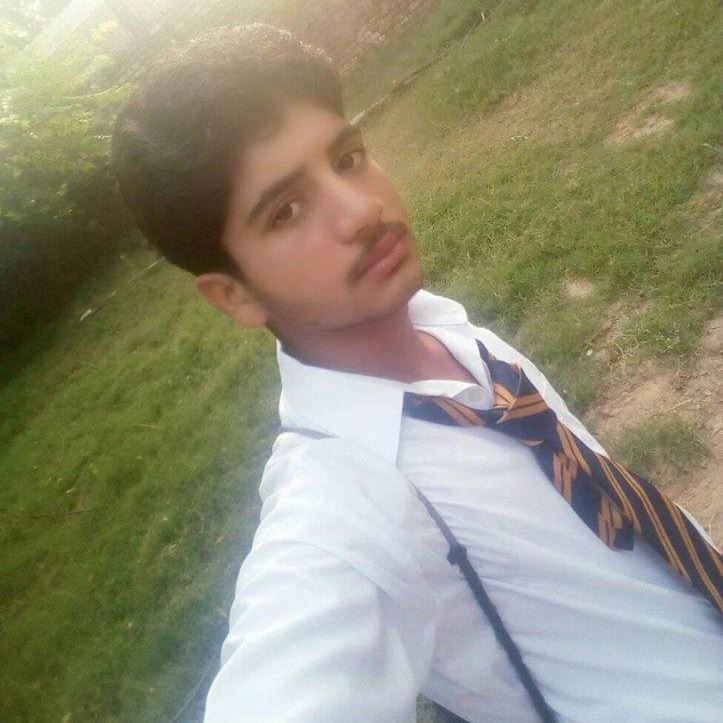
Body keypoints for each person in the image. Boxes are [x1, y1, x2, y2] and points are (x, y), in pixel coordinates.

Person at [111, 23, 722, 723]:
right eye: (286, 211)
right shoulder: (345, 507)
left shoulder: (444, 328)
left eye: (347, 159)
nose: (362, 210)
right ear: (234, 295)